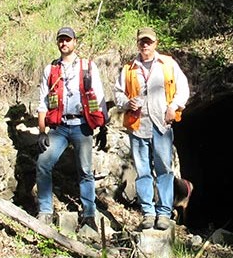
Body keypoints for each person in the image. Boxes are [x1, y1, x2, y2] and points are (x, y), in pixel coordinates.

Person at [114, 27, 190, 230]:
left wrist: (173, 107)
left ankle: (164, 212)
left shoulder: (167, 64)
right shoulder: (129, 68)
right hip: (138, 125)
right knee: (143, 170)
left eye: (149, 41)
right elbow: (118, 93)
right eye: (142, 42)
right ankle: (148, 212)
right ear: (137, 44)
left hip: (161, 124)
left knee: (164, 169)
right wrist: (126, 103)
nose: (145, 45)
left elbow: (183, 89)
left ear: (155, 43)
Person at [36, 27, 108, 231]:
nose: (64, 43)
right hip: (59, 127)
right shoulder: (50, 70)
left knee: (85, 170)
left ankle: (89, 214)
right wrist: (42, 131)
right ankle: (45, 211)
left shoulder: (88, 67)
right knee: (43, 163)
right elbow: (42, 102)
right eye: (61, 40)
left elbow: (99, 95)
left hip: (82, 125)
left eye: (67, 40)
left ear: (75, 42)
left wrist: (103, 126)